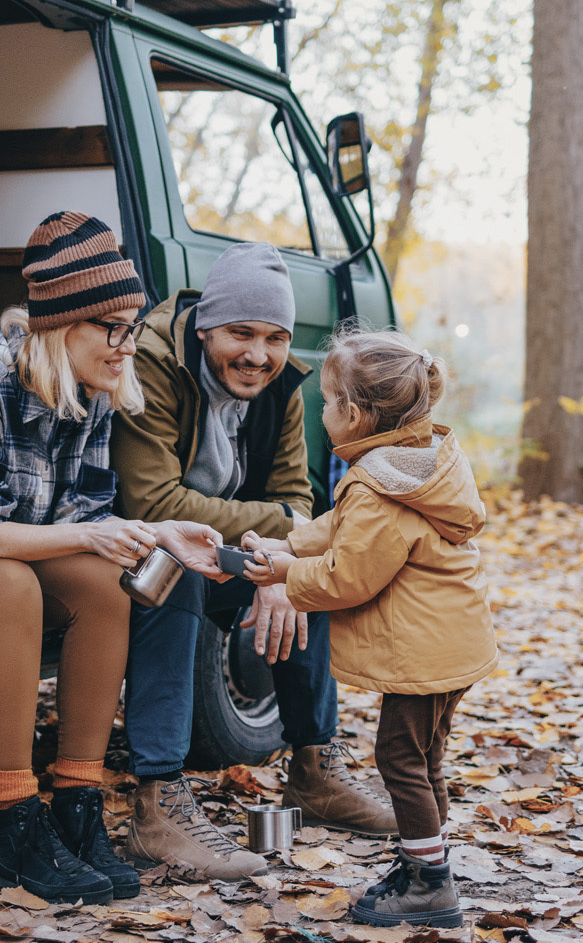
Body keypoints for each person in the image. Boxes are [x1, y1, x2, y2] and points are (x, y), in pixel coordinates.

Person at [0, 211, 224, 904]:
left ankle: (76, 807)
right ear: (61, 324)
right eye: (112, 328)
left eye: (133, 328)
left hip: (8, 564)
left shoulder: (92, 390)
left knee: (106, 588)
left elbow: (84, 518)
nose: (126, 346)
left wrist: (160, 534)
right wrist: (90, 536)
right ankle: (11, 821)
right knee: (15, 587)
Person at [111, 243, 398, 880]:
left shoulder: (282, 383)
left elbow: (296, 495)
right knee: (173, 567)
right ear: (208, 325)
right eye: (240, 333)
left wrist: (276, 566)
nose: (257, 355)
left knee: (311, 579)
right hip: (131, 545)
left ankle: (314, 773)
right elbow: (153, 499)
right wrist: (282, 538)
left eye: (274, 337)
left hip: (224, 547)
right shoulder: (154, 364)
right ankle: (157, 801)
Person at [242, 329, 496, 927]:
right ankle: (424, 858)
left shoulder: (377, 484)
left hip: (424, 650)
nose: (323, 413)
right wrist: (290, 541)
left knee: (399, 758)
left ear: (353, 415)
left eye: (328, 402)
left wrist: (283, 571)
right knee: (424, 755)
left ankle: (429, 883)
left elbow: (346, 576)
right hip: (451, 639)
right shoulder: (412, 462)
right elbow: (342, 528)